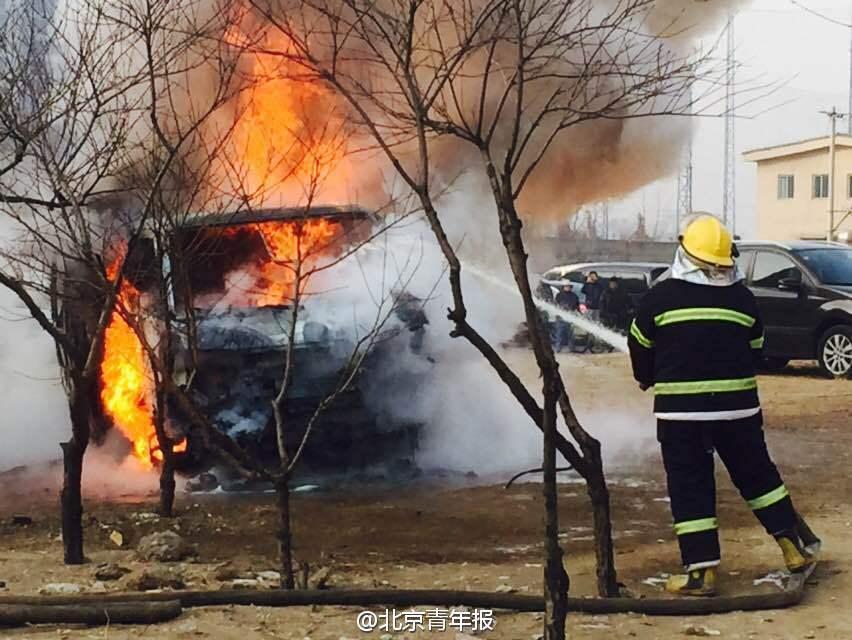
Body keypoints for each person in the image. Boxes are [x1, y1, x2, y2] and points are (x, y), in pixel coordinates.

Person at [627, 215, 819, 597]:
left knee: (690, 485)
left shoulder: (658, 298)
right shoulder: (742, 298)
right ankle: (792, 545)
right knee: (758, 477)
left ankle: (701, 573)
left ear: (685, 253)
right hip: (739, 410)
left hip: (682, 416)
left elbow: (639, 348)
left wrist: (648, 377)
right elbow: (755, 349)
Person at [553, 283, 579, 352]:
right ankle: (558, 348)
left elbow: (577, 306)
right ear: (563, 287)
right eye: (566, 286)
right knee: (559, 333)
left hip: (570, 318)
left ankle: (572, 348)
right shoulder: (559, 295)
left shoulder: (574, 296)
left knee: (570, 334)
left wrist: (578, 314)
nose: (568, 288)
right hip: (560, 318)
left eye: (569, 287)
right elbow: (555, 305)